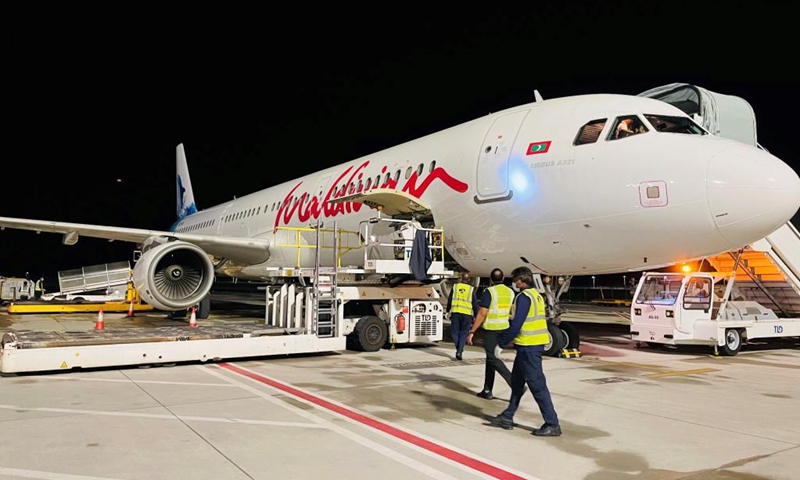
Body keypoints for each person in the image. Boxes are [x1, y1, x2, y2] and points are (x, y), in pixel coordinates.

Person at [490, 266, 561, 437]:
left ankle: (552, 424)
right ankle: (507, 416)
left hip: (529, 348)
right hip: (526, 348)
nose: (514, 284)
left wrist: (501, 343)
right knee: (516, 383)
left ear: (521, 281)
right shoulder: (536, 295)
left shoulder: (523, 297)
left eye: (515, 281)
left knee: (538, 387)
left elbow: (516, 324)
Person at [467, 268, 513, 399]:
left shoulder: (489, 292)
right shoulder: (510, 292)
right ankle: (487, 390)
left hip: (492, 329)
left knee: (493, 358)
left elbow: (482, 313)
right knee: (490, 359)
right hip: (504, 328)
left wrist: (472, 331)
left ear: (491, 280)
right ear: (503, 279)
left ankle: (514, 384)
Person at [446, 271, 477, 360]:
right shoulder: (471, 289)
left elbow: (450, 299)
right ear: (469, 280)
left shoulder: (455, 287)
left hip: (456, 312)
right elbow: (474, 303)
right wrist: (476, 315)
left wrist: (448, 310)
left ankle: (459, 350)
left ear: (461, 278)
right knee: (464, 333)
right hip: (467, 314)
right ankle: (459, 350)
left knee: (454, 332)